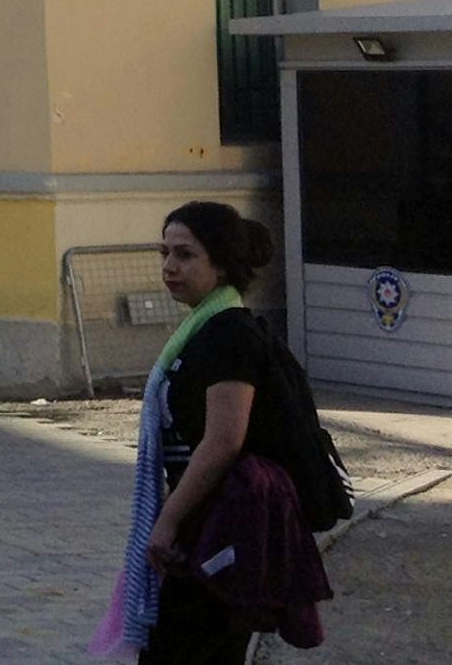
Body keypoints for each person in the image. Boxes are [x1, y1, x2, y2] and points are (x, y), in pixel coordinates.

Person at [101, 201, 291, 665]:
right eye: (164, 253)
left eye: (184, 255)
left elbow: (224, 439)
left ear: (221, 262)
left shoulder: (229, 334)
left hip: (224, 526)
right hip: (204, 518)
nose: (169, 267)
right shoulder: (201, 329)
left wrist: (167, 521)